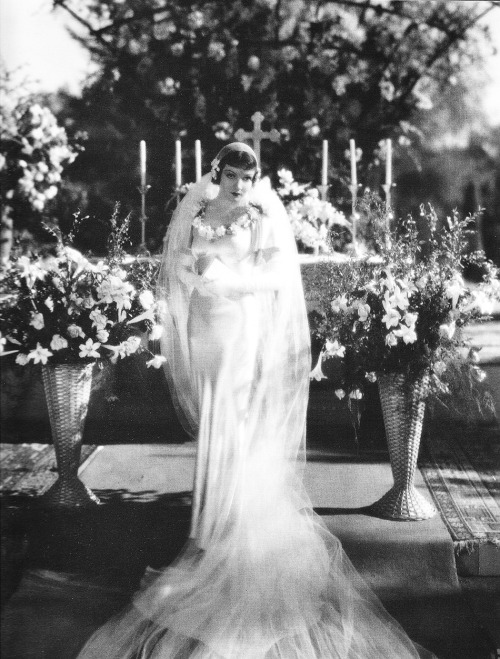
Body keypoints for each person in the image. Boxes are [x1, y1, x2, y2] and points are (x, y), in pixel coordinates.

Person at [77, 142, 433, 658]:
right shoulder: (197, 209)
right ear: (218, 173)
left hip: (240, 325)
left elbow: (273, 277)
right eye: (233, 176)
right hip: (205, 326)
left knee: (235, 414)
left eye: (248, 177)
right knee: (214, 410)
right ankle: (211, 519)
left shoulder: (262, 217)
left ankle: (235, 519)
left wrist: (231, 281)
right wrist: (194, 275)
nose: (240, 185)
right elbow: (176, 261)